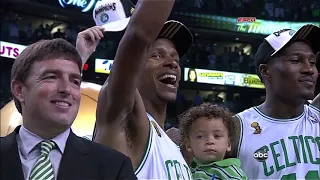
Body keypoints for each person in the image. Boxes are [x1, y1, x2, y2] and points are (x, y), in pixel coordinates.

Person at [77, 0, 194, 179]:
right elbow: (139, 36)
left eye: (175, 58)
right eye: (156, 55)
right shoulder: (123, 117)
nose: (172, 63)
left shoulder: (171, 146)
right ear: (135, 65)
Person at [0, 38, 136, 180]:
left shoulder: (114, 167)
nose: (66, 89)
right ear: (19, 90)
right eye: (52, 77)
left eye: (75, 81)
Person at [230, 25, 320, 179]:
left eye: (312, 62)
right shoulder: (236, 128)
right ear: (266, 71)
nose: (309, 69)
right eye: (296, 60)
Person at [179, 103, 248, 179]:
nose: (210, 141)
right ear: (188, 145)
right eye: (200, 136)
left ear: (228, 144)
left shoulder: (232, 173)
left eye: (217, 136)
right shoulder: (184, 170)